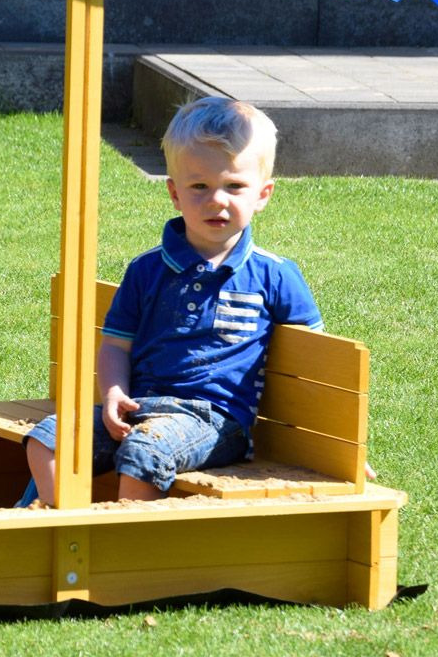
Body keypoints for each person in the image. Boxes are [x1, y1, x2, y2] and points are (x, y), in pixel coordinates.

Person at [24, 97, 321, 506]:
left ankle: (127, 545)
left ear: (263, 194)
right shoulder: (147, 270)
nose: (217, 200)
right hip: (138, 407)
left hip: (214, 420)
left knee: (144, 451)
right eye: (199, 186)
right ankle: (62, 530)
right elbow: (115, 344)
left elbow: (316, 369)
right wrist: (112, 395)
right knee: (47, 438)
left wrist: (332, 453)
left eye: (234, 186)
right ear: (174, 193)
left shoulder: (274, 275)